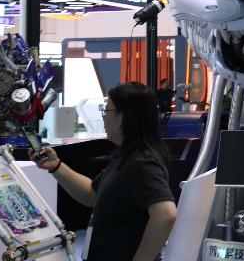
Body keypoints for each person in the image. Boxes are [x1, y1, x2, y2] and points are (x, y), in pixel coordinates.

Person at [32, 82, 177, 261]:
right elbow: (92, 193)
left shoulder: (143, 162)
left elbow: (165, 214)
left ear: (125, 117)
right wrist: (55, 166)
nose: (103, 118)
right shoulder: (127, 156)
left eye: (106, 111)